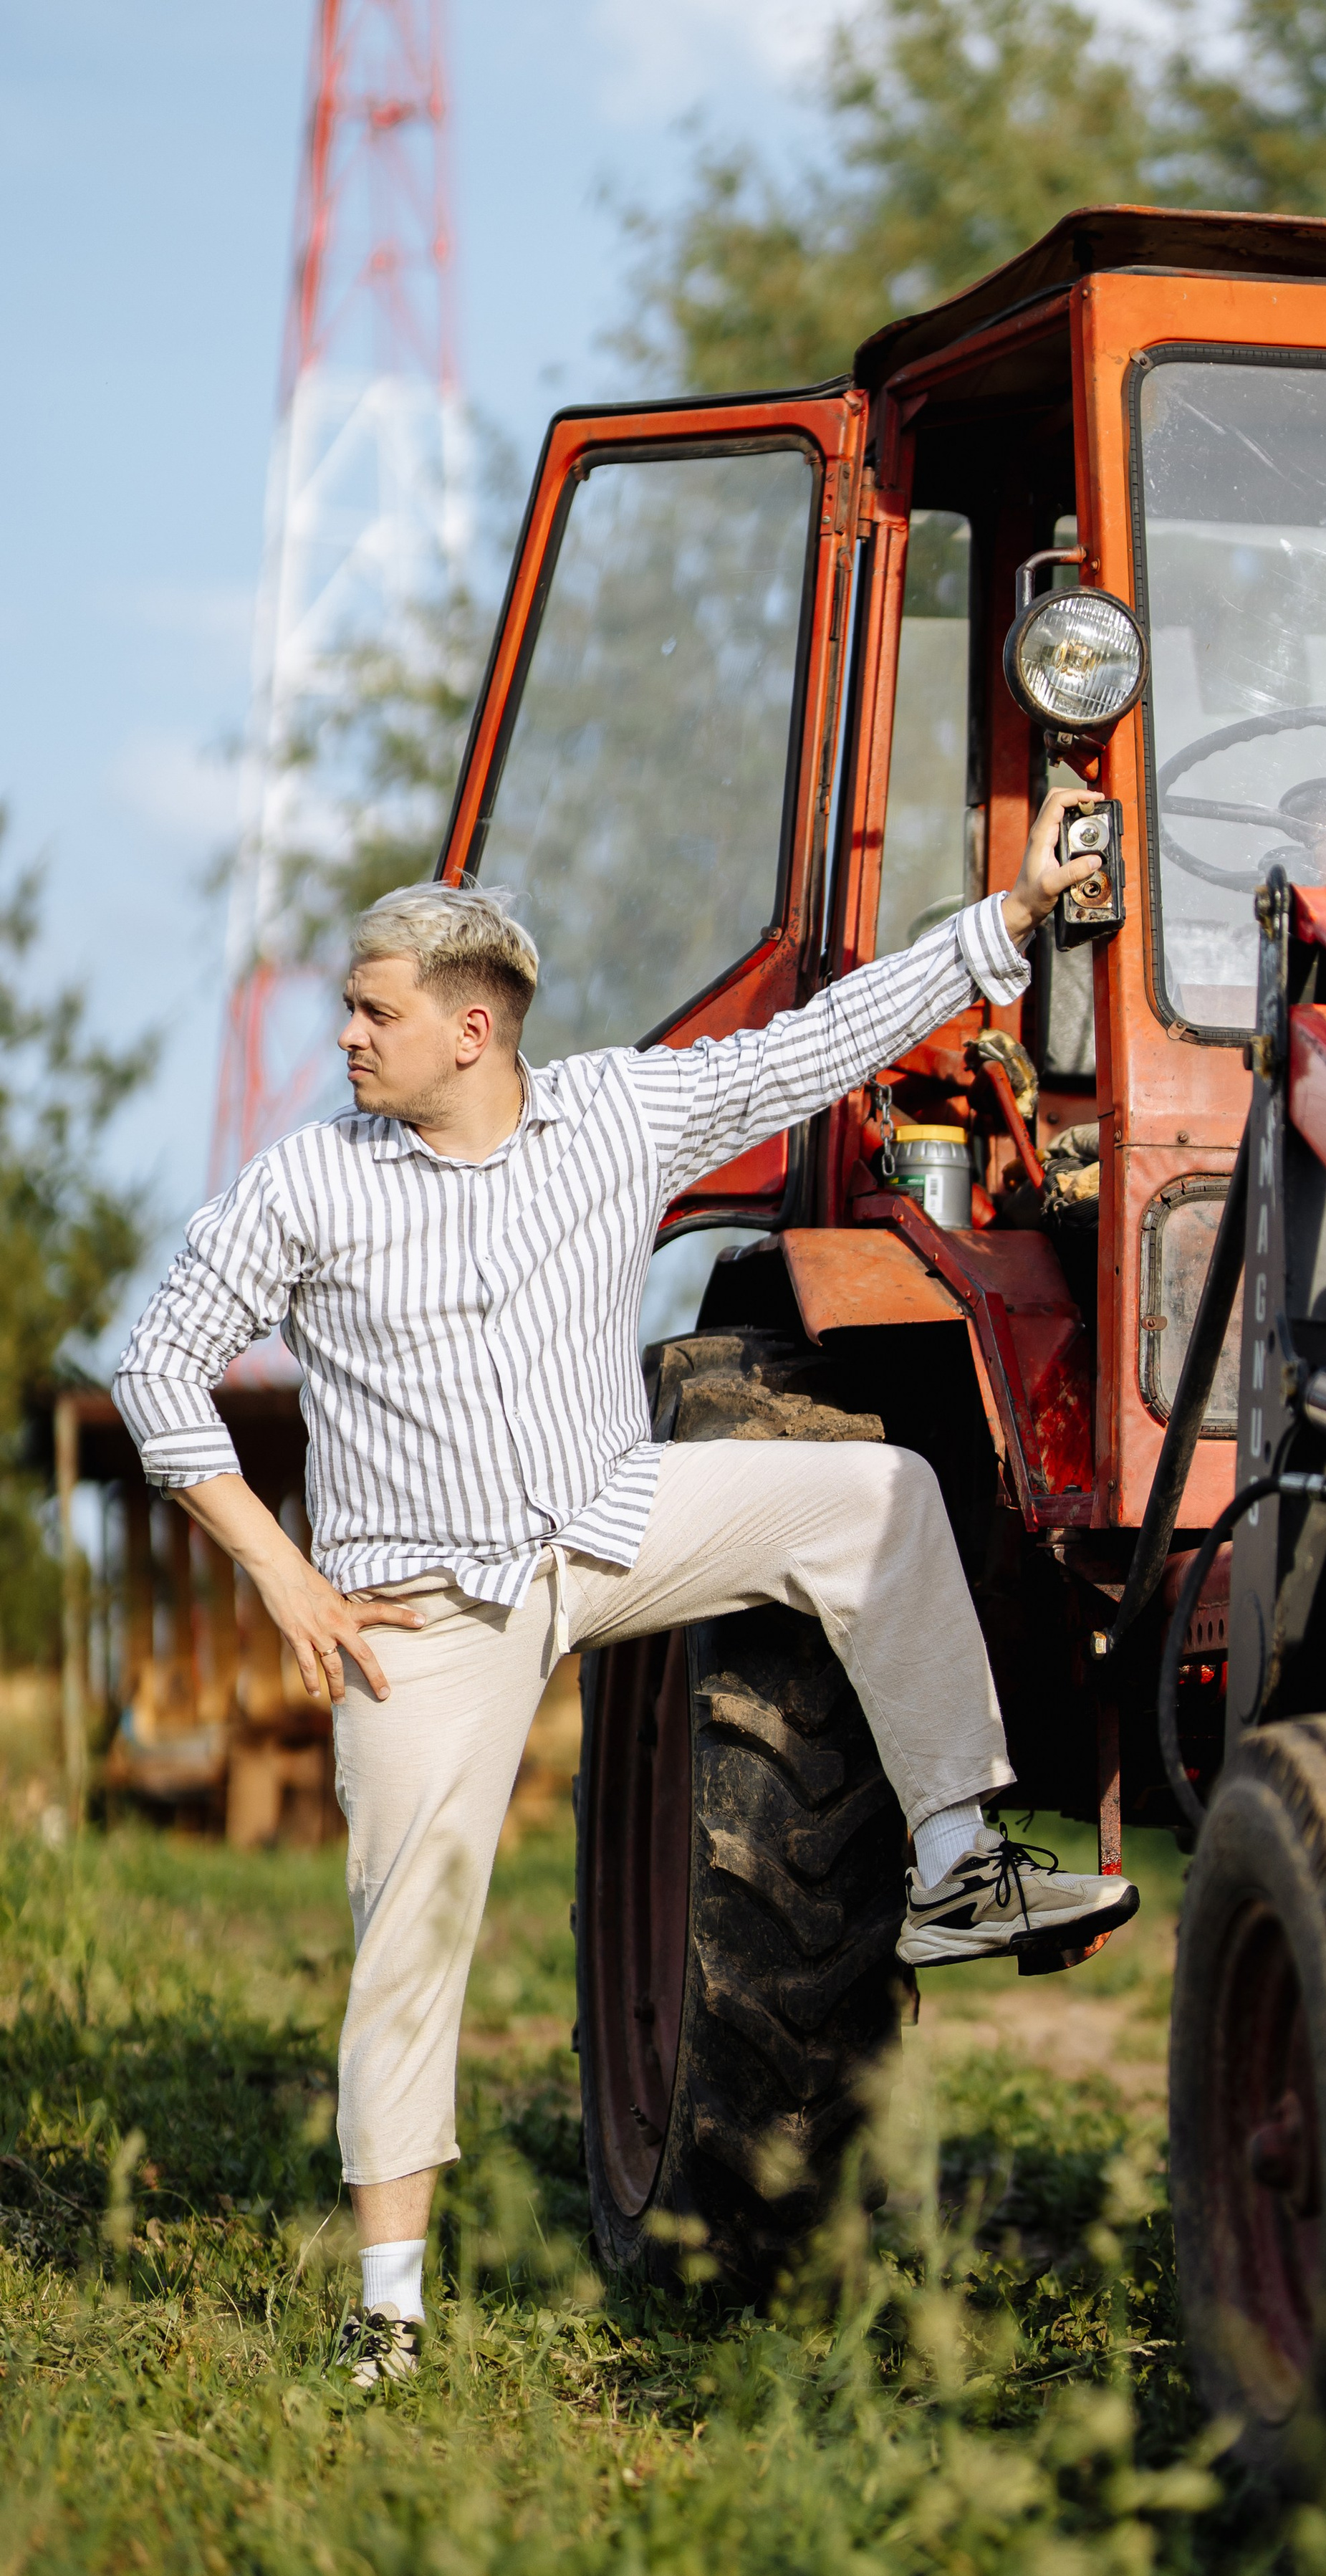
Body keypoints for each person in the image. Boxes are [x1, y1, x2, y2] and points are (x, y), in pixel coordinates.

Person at [113, 785, 1138, 2388]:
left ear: (472, 1027)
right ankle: (388, 2314)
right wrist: (287, 1583)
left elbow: (815, 1048)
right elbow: (155, 1369)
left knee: (876, 1497)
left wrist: (1004, 923)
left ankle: (953, 1854)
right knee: (409, 1940)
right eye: (347, 1015)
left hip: (609, 1526)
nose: (349, 1042)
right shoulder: (309, 1185)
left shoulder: (612, 1118)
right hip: (424, 1615)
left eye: (373, 1015)